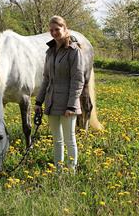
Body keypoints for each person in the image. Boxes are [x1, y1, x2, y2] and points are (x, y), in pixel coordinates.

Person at [35, 15, 85, 173]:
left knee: (70, 139)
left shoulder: (74, 51)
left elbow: (78, 80)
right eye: (51, 30)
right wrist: (38, 102)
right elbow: (46, 79)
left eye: (57, 29)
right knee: (57, 140)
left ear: (65, 29)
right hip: (51, 102)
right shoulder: (49, 52)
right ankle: (58, 171)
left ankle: (71, 171)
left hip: (68, 103)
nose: (54, 32)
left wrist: (71, 105)